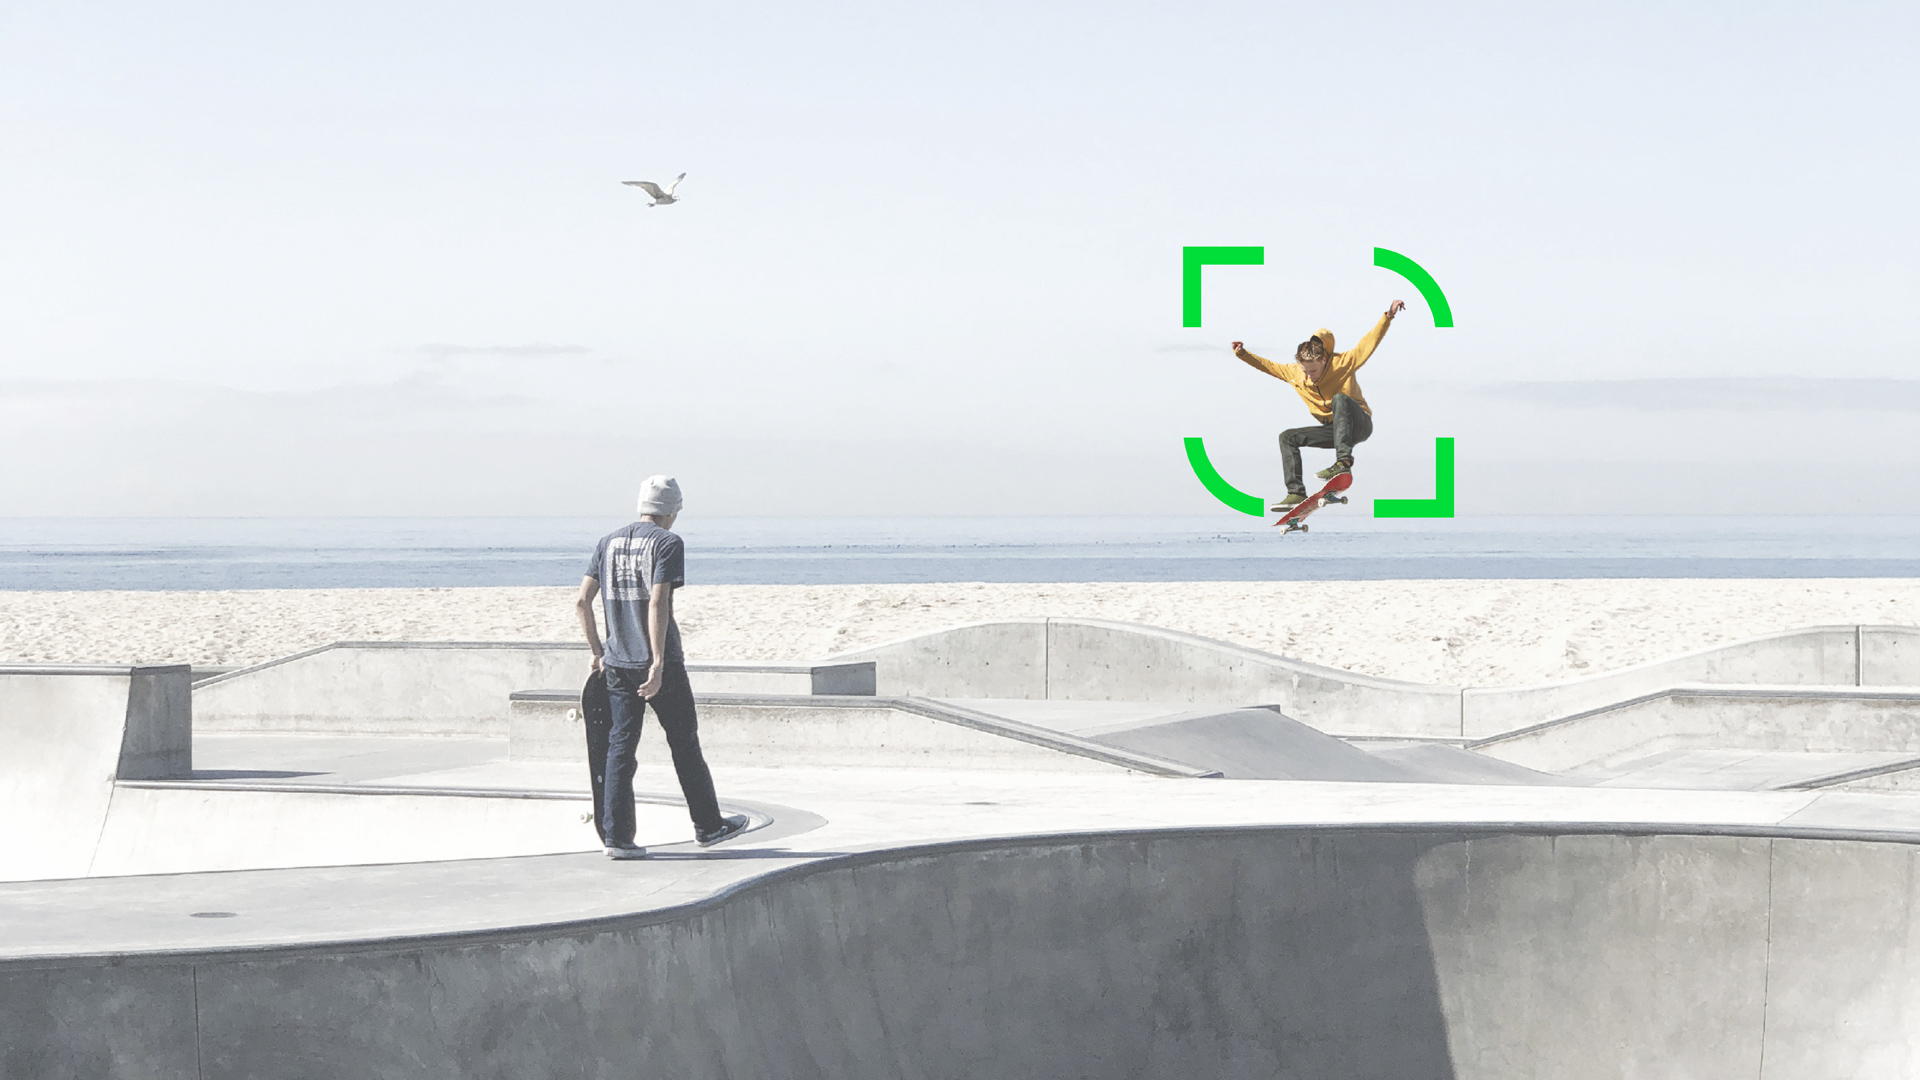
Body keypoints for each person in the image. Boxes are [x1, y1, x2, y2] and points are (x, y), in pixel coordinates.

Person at [575, 475, 749, 859]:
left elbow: (582, 602)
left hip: (617, 661)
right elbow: (658, 603)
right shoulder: (668, 543)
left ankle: (618, 839)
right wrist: (656, 663)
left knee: (621, 746)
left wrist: (596, 650)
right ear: (671, 510)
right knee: (684, 743)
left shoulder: (608, 542)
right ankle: (708, 825)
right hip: (660, 663)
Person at [1230, 299, 1407, 510]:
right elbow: (1268, 366)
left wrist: (1387, 317)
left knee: (1340, 399)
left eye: (1313, 371)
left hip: (1358, 424)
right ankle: (1295, 493)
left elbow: (1368, 344)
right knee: (1287, 437)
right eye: (1305, 371)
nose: (1310, 377)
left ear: (1323, 360)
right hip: (1333, 430)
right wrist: (1243, 354)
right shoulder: (1295, 372)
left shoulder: (1342, 363)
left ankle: (1343, 464)